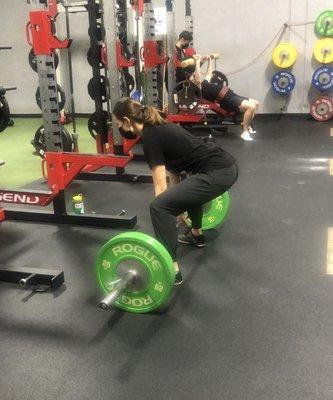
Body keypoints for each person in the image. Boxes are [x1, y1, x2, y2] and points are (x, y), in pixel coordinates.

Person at [113, 98, 238, 285]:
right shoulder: (160, 127)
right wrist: (177, 205)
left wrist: (169, 209)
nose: (119, 129)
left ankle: (171, 267)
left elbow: (161, 188)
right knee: (186, 191)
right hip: (226, 167)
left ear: (127, 121)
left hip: (217, 172)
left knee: (158, 207)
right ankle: (196, 235)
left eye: (118, 124)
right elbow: (175, 173)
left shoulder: (150, 138)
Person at [192, 54, 260, 142]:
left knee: (256, 103)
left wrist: (210, 61)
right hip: (226, 100)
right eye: (192, 77)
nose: (193, 76)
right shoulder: (197, 89)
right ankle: (244, 132)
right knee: (251, 107)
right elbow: (197, 80)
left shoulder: (204, 84)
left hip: (231, 94)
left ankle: (246, 125)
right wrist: (197, 62)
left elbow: (209, 74)